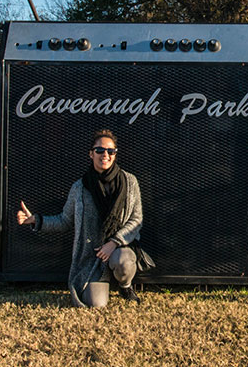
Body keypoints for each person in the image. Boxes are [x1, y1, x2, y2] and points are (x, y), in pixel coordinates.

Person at [17, 129, 152, 307]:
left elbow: (136, 220)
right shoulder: (79, 188)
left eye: (111, 151)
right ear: (91, 154)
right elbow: (64, 221)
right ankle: (101, 281)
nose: (105, 155)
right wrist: (36, 220)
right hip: (92, 256)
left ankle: (125, 285)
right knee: (96, 304)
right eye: (100, 150)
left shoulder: (129, 181)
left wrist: (113, 243)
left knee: (123, 262)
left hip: (120, 248)